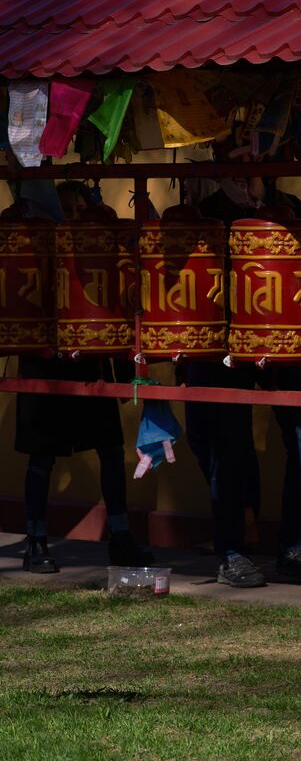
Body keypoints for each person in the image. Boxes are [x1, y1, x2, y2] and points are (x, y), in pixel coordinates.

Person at [184, 142, 301, 588]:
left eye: (255, 159)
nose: (246, 169)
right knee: (227, 449)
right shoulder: (206, 213)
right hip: (227, 345)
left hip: (288, 337)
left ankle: (296, 546)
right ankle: (231, 550)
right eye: (236, 158)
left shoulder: (294, 208)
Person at [15, 180, 150, 572]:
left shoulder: (96, 248)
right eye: (65, 211)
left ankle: (121, 536)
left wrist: (124, 373)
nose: (72, 220)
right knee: (41, 458)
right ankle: (35, 540)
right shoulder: (36, 247)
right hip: (45, 362)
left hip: (90, 361)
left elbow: (118, 304)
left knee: (110, 451)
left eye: (77, 211)